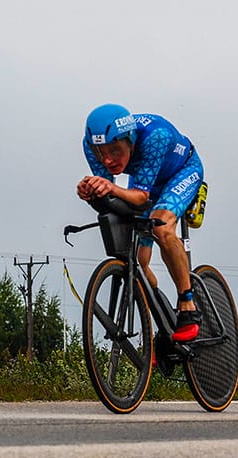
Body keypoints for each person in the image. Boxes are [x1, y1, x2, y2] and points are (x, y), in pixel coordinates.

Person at [75, 103, 205, 341]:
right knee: (139, 262)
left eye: (114, 150)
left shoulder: (155, 137)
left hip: (181, 172)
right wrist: (91, 192)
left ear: (130, 140)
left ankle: (188, 303)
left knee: (162, 227)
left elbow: (141, 196)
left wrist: (110, 187)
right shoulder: (89, 144)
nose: (107, 160)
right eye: (99, 152)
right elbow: (109, 193)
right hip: (147, 177)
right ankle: (166, 319)